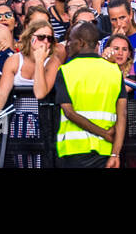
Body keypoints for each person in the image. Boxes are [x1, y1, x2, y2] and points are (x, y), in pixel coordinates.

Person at [54, 21, 127, 168]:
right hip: (106, 150)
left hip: (74, 150)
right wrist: (115, 154)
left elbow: (69, 112)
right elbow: (122, 114)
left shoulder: (66, 70)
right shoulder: (114, 71)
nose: (68, 45)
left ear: (80, 43)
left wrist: (104, 133)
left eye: (71, 41)